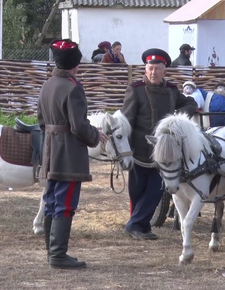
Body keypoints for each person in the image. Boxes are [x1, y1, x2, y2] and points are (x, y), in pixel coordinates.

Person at [37, 39, 108, 269]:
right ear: (75, 63)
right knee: (65, 203)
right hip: (68, 155)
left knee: (50, 202)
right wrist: (95, 135)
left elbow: (41, 121)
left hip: (50, 152)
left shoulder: (47, 85)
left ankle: (51, 252)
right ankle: (58, 255)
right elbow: (78, 126)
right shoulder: (73, 87)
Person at [121, 48, 197, 240]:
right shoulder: (135, 89)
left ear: (165, 71)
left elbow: (190, 103)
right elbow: (126, 120)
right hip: (139, 150)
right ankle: (141, 225)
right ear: (145, 70)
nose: (153, 72)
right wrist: (126, 149)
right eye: (150, 68)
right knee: (137, 191)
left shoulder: (171, 90)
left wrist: (179, 119)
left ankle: (134, 225)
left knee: (156, 190)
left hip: (164, 152)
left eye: (157, 68)